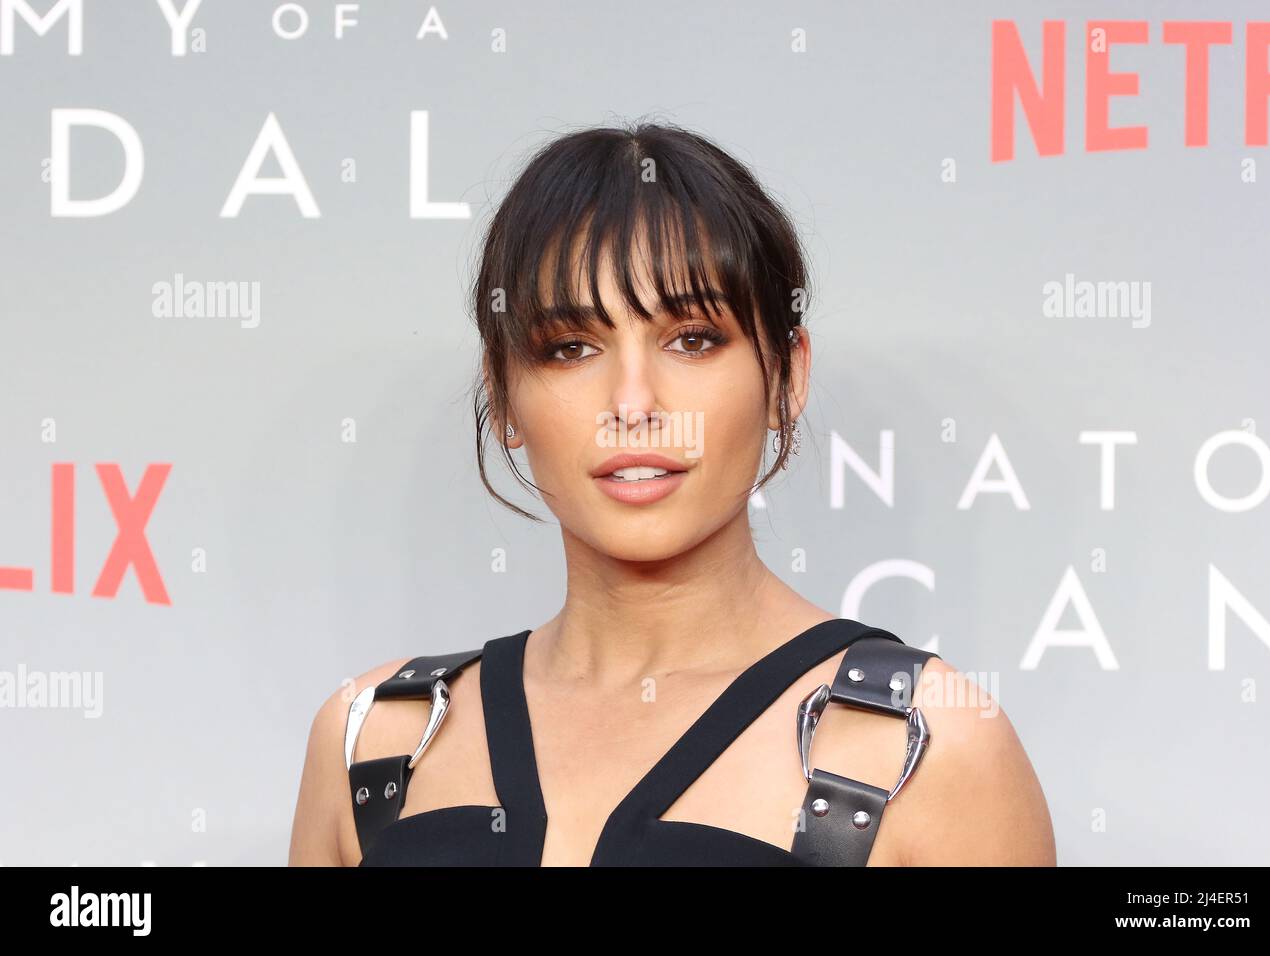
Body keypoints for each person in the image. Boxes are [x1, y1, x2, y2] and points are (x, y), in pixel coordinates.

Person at [288, 121, 1056, 867]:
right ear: (504, 397)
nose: (633, 402)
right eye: (571, 348)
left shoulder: (929, 746)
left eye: (692, 338)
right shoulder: (376, 739)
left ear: (787, 377)